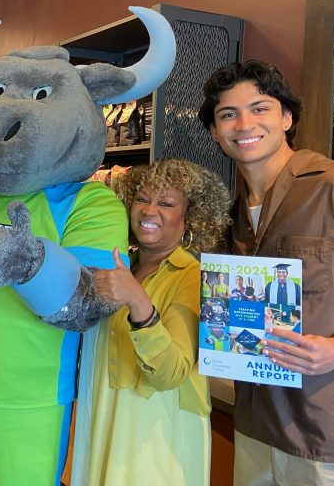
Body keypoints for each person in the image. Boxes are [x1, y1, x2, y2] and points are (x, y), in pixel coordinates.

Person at [199, 59, 334, 484]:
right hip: (257, 424)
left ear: (286, 117)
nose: (244, 123)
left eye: (260, 108)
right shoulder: (232, 215)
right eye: (227, 114)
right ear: (214, 132)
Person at [71, 159, 232, 486]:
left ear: (190, 219)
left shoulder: (194, 279)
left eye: (167, 203)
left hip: (157, 436)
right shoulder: (120, 266)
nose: (149, 211)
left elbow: (170, 372)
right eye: (142, 199)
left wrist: (138, 301)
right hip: (104, 416)